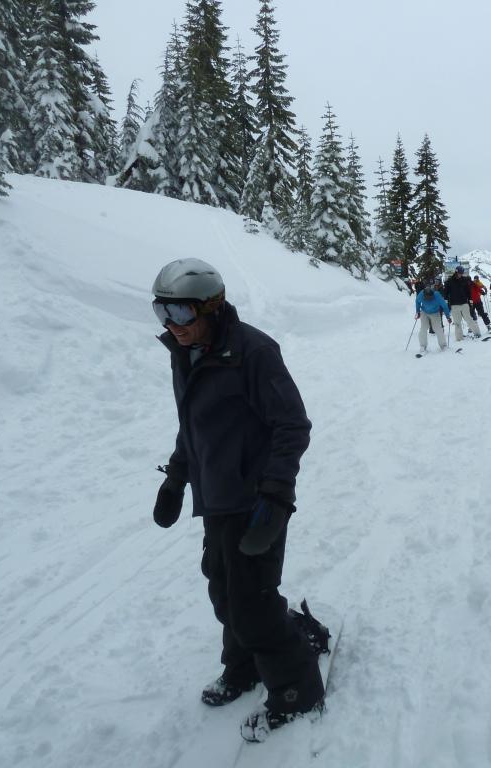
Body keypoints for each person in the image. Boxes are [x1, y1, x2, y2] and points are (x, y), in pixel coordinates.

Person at [150, 258, 324, 743]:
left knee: (252, 601)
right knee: (224, 592)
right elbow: (195, 428)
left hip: (255, 501)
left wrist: (276, 496)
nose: (172, 326)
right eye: (161, 313)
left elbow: (292, 427)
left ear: (212, 306)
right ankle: (244, 665)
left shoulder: (254, 352)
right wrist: (176, 479)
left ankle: (296, 689)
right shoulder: (185, 353)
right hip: (217, 498)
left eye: (181, 313)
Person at [444, 265, 482, 341]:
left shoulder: (464, 280)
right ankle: (459, 338)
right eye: (459, 273)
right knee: (457, 323)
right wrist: (446, 301)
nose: (460, 274)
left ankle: (477, 333)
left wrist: (470, 300)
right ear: (456, 272)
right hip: (454, 305)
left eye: (462, 273)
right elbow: (446, 292)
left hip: (464, 303)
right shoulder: (449, 281)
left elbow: (468, 292)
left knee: (469, 319)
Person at [414, 284, 451, 353]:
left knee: (438, 329)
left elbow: (444, 306)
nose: (428, 298)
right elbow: (417, 302)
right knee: (423, 329)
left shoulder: (437, 295)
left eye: (429, 297)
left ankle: (443, 345)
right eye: (426, 297)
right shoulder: (421, 294)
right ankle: (423, 346)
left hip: (435, 313)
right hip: (424, 312)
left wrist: (448, 317)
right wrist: (418, 312)